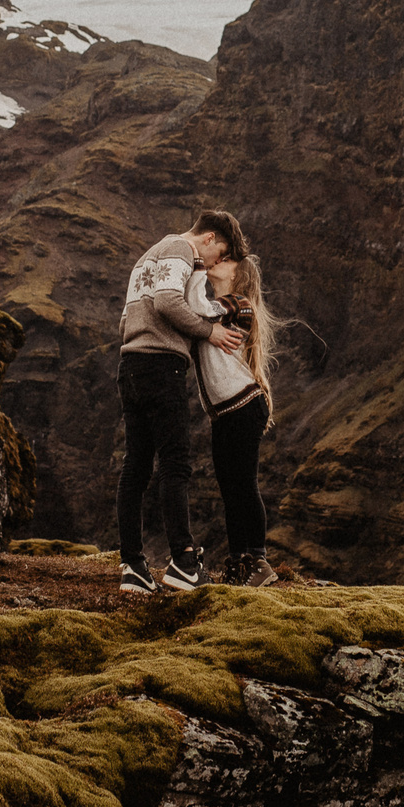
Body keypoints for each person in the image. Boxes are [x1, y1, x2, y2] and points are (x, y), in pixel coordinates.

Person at [116, 210, 249, 594]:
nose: (215, 265)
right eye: (219, 254)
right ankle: (184, 562)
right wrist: (210, 332)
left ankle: (133, 566)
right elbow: (168, 302)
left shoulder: (148, 257)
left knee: (136, 465)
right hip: (161, 366)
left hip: (131, 364)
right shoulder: (180, 249)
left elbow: (127, 320)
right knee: (175, 463)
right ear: (207, 239)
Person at [187, 251, 280, 587]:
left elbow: (198, 308)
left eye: (224, 261)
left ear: (239, 276)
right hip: (226, 413)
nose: (216, 263)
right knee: (230, 490)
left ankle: (259, 560)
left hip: (244, 405)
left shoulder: (238, 305)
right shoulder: (222, 310)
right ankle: (238, 561)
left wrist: (195, 266)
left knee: (243, 484)